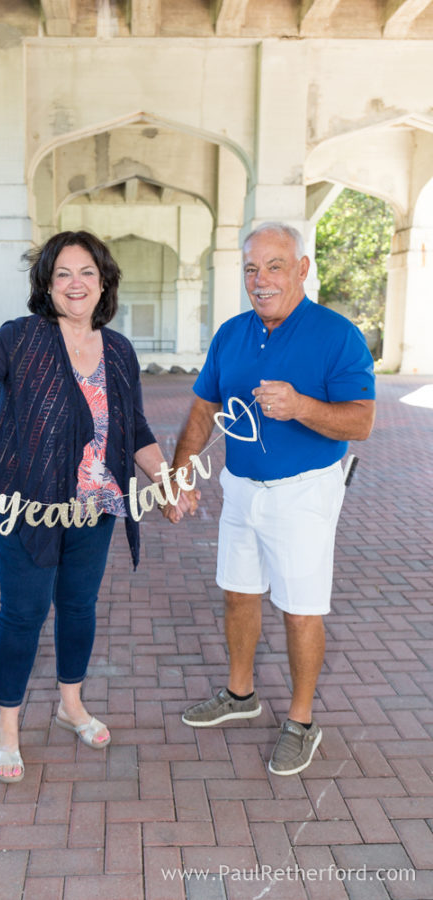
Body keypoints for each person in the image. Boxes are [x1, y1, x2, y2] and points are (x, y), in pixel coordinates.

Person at [0, 230, 177, 784]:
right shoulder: (19, 339)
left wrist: (166, 483)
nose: (75, 283)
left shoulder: (117, 349)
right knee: (23, 612)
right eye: (62, 273)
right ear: (46, 282)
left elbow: (134, 426)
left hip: (96, 504)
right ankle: (8, 727)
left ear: (103, 281)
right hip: (27, 504)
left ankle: (70, 705)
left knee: (79, 606)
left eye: (86, 272)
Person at [165, 221, 376, 776]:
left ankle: (302, 721)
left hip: (304, 491)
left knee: (301, 609)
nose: (261, 280)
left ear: (302, 269)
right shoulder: (232, 334)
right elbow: (201, 411)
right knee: (238, 592)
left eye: (275, 266)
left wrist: (301, 406)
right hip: (239, 486)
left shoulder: (337, 335)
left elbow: (362, 420)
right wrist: (179, 473)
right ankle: (241, 695)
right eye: (252, 269)